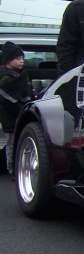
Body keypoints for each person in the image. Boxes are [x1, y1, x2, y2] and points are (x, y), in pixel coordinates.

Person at [0, 42, 34, 177]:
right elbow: (5, 98)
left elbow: (27, 91)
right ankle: (12, 170)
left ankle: (21, 168)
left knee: (22, 143)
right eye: (18, 58)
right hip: (11, 116)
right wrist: (21, 107)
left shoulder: (22, 74)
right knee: (12, 144)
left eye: (22, 58)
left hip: (23, 113)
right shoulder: (6, 78)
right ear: (8, 60)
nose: (21, 61)